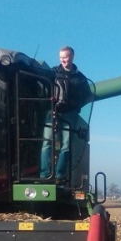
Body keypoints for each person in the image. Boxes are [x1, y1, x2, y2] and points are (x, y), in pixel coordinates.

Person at [40, 46, 91, 179]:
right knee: (46, 143)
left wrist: (75, 105)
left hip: (70, 114)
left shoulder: (80, 79)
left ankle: (59, 175)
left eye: (66, 57)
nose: (63, 60)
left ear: (72, 57)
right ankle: (44, 174)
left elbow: (87, 95)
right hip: (53, 111)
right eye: (61, 57)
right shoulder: (52, 73)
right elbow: (41, 85)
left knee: (66, 145)